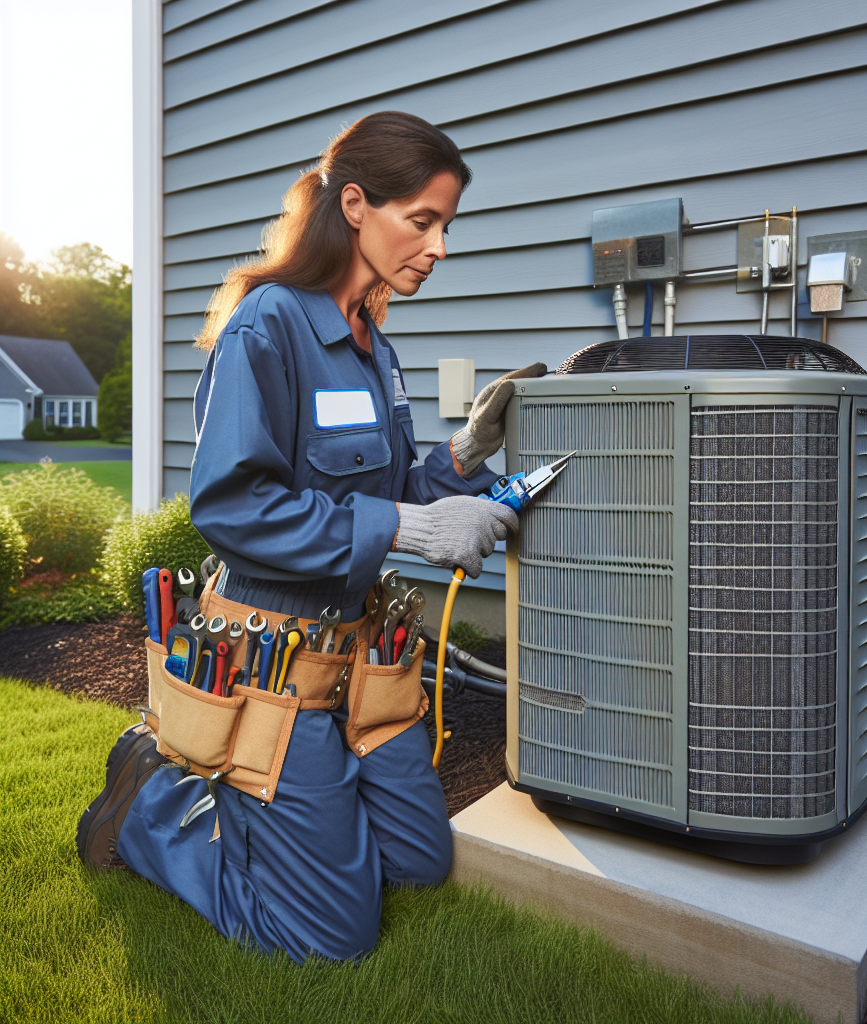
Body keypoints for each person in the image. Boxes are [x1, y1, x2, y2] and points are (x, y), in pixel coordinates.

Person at [76, 111, 544, 962]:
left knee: (416, 865)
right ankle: (152, 807)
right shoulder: (270, 326)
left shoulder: (375, 348)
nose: (438, 247)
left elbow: (393, 489)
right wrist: (408, 523)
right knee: (330, 935)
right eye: (424, 220)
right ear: (357, 205)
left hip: (361, 656)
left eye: (447, 225)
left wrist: (465, 452)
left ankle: (311, 816)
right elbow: (231, 506)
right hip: (272, 660)